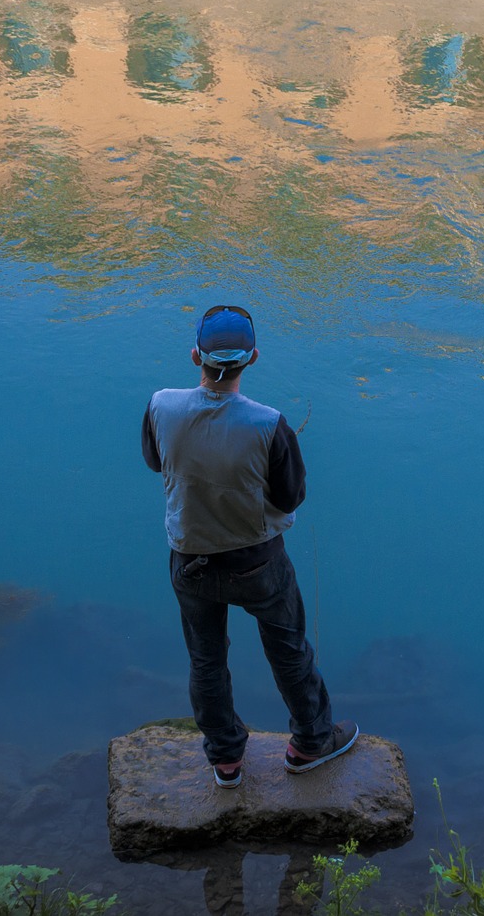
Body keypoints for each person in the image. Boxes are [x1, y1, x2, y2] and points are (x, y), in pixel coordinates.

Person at [140, 304, 358, 788]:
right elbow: (290, 495)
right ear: (253, 358)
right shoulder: (270, 424)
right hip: (258, 564)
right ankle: (310, 742)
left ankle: (226, 760)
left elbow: (157, 463)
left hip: (189, 561)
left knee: (206, 659)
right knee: (288, 651)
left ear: (195, 353)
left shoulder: (160, 406)